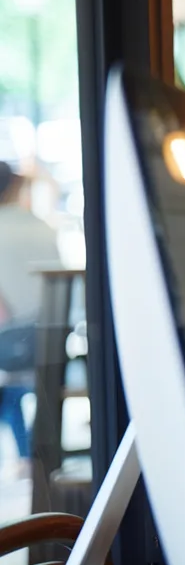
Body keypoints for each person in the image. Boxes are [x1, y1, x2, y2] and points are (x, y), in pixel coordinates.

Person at [0, 162, 62, 467]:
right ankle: (36, 454)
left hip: (9, 341)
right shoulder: (41, 225)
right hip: (51, 335)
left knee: (11, 390)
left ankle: (25, 455)